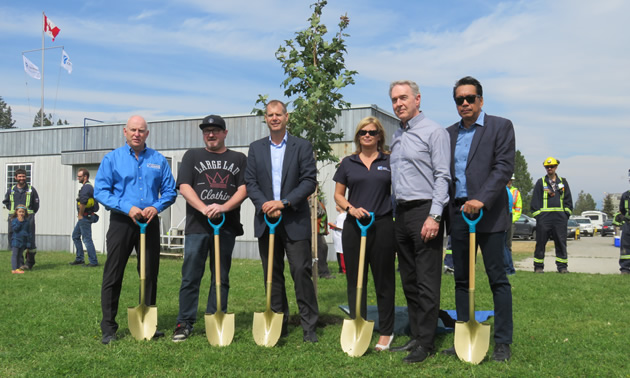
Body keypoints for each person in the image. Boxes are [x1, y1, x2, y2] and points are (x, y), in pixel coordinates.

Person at [442, 76, 515, 362]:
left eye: (470, 98)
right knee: (461, 279)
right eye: (459, 99)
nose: (465, 104)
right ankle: (464, 334)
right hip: (459, 215)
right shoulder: (448, 134)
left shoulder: (500, 126)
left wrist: (480, 199)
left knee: (497, 278)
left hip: (490, 214)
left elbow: (503, 167)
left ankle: (502, 342)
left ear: (481, 101)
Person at [94, 115, 177, 345]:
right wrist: (127, 207)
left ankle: (148, 321)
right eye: (133, 130)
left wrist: (155, 206)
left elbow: (170, 191)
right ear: (125, 131)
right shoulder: (112, 159)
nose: (137, 134)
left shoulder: (158, 160)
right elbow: (101, 191)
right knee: (113, 273)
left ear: (147, 134)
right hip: (122, 222)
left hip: (149, 223)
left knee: (149, 272)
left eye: (141, 130)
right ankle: (108, 328)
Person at [245, 100, 319, 342]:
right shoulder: (256, 148)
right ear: (265, 119)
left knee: (300, 271)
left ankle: (309, 327)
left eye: (278, 114)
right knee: (272, 273)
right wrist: (266, 204)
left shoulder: (302, 146)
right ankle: (279, 322)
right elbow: (251, 183)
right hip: (267, 221)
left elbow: (309, 181)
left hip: (294, 220)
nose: (274, 118)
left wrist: (284, 202)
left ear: (287, 117)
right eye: (270, 115)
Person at [387, 80, 451, 363]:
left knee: (427, 281)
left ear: (417, 99)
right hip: (401, 214)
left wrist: (435, 215)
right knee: (409, 279)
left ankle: (426, 342)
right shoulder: (397, 136)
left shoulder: (434, 132)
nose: (398, 103)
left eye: (403, 98)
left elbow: (442, 177)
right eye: (394, 99)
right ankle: (416, 334)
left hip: (425, 211)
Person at [172, 115, 247, 342]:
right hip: (197, 226)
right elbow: (184, 187)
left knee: (220, 276)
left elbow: (244, 189)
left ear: (225, 133)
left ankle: (215, 318)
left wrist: (223, 208)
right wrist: (205, 209)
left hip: (226, 227)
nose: (211, 134)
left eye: (216, 130)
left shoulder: (239, 158)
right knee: (190, 276)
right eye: (207, 131)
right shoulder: (192, 156)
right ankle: (184, 323)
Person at [333, 116, 396, 352]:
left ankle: (386, 332)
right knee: (355, 280)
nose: (367, 135)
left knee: (384, 281)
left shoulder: (389, 160)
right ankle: (358, 325)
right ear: (358, 136)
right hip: (354, 226)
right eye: (362, 132)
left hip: (381, 225)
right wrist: (351, 208)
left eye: (372, 132)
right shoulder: (348, 163)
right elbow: (338, 195)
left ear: (379, 135)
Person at [531, 157, 573, 274]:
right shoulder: (541, 182)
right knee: (540, 243)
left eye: (552, 166)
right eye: (547, 167)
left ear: (556, 167)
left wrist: (566, 214)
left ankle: (562, 267)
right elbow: (535, 201)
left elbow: (568, 200)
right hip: (544, 219)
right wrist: (539, 216)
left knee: (561, 242)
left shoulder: (563, 182)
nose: (550, 168)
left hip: (560, 219)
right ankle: (538, 267)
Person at [3, 168, 39, 270]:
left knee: (29, 240)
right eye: (19, 176)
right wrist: (15, 214)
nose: (22, 178)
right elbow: (6, 202)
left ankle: (29, 263)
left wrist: (28, 214)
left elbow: (36, 205)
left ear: (26, 177)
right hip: (13, 219)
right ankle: (20, 263)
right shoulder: (11, 190)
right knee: (14, 239)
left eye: (23, 176)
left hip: (28, 219)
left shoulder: (31, 190)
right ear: (15, 178)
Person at [70, 168, 100, 267]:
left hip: (85, 217)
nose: (78, 178)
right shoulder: (88, 186)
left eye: (80, 176)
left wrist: (80, 215)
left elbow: (83, 202)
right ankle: (80, 259)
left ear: (85, 177)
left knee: (87, 239)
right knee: (75, 236)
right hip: (86, 216)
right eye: (78, 176)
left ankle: (93, 262)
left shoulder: (86, 188)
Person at [503, 175, 521, 275]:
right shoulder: (506, 190)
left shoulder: (515, 192)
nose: (510, 181)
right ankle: (509, 269)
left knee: (505, 245)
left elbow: (518, 209)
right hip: (507, 218)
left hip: (508, 219)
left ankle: (508, 269)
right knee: (505, 246)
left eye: (511, 180)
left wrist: (512, 220)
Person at [10, 205, 31, 274]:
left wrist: (28, 242)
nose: (21, 213)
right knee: (15, 255)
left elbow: (28, 232)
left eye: (23, 212)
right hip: (16, 240)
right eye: (20, 212)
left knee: (19, 255)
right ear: (16, 212)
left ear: (25, 213)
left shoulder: (27, 221)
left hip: (23, 241)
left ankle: (18, 268)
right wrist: (19, 222)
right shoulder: (14, 220)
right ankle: (14, 269)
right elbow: (15, 229)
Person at [316, 199, 335, 279]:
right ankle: (323, 272)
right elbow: (317, 214)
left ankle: (323, 271)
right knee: (321, 248)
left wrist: (324, 229)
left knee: (323, 248)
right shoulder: (309, 201)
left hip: (318, 230)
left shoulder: (316, 201)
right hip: (312, 230)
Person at [618, 169, 630, 275]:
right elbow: (622, 210)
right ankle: (625, 268)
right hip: (628, 224)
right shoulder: (625, 195)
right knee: (625, 247)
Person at [329, 205, 347, 274]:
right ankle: (341, 269)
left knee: (341, 254)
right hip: (338, 239)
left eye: (337, 205)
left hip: (340, 238)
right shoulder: (342, 215)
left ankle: (343, 270)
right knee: (339, 254)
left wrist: (332, 225)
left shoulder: (341, 216)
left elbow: (341, 227)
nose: (335, 207)